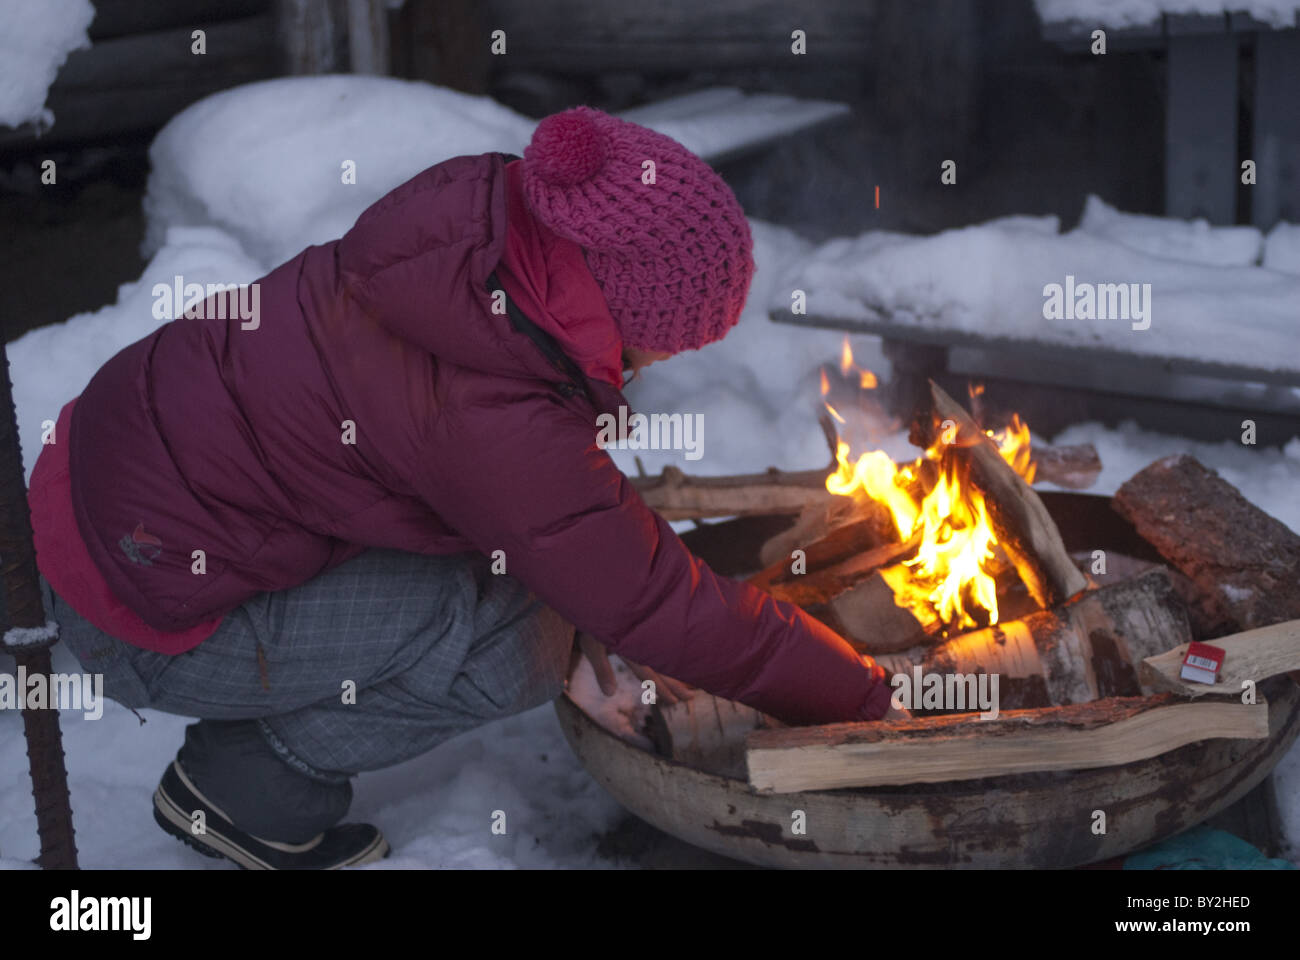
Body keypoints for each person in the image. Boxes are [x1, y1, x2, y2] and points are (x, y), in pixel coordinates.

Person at [29, 106, 898, 870]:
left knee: (529, 575)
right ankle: (251, 789)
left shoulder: (473, 239)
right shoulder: (495, 405)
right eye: (676, 340)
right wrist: (862, 697)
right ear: (626, 307)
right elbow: (658, 604)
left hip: (101, 495)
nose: (672, 361)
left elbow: (517, 505)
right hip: (141, 609)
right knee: (523, 638)